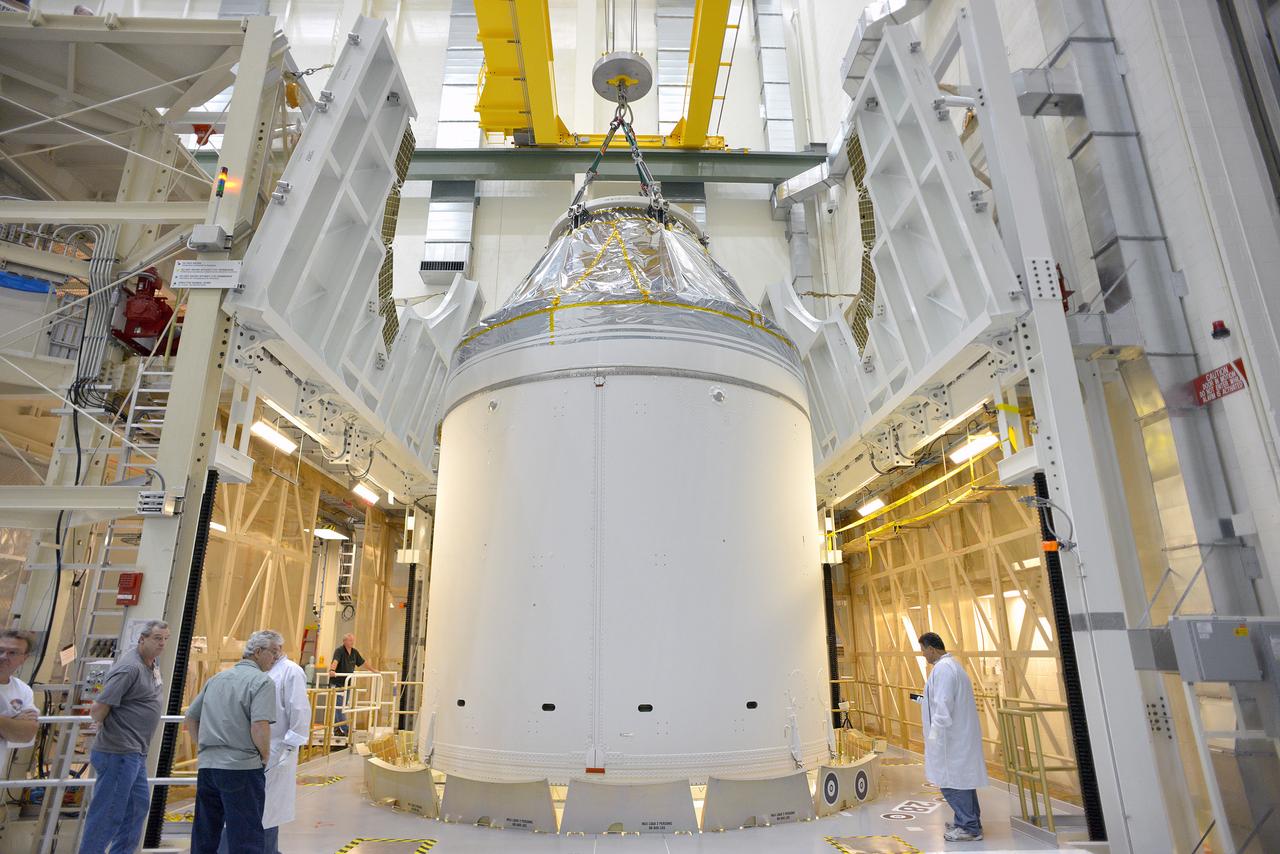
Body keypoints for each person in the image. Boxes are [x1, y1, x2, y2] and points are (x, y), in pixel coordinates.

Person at [79, 620, 170, 854]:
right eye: (157, 638)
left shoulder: (152, 664)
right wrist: (101, 725)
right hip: (118, 751)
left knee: (136, 807)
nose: (162, 643)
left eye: (165, 639)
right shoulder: (129, 668)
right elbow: (99, 708)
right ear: (142, 639)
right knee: (108, 813)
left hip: (135, 752)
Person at [186, 631, 279, 854]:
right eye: (273, 652)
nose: (276, 658)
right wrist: (264, 756)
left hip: (208, 768)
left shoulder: (216, 679)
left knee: (205, 833)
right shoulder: (262, 682)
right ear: (258, 652)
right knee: (245, 834)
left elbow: (190, 717)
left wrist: (204, 748)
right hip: (241, 767)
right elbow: (259, 725)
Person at [217, 632, 311, 854]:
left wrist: (287, 748)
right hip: (249, 750)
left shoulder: (291, 672)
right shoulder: (256, 673)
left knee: (267, 810)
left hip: (276, 751)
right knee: (249, 807)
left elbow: (299, 711)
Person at [918, 632, 988, 841]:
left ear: (932, 649)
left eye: (923, 651)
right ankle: (969, 820)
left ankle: (968, 827)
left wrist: (935, 736)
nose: (923, 655)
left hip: (950, 740)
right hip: (957, 738)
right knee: (962, 782)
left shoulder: (944, 670)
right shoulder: (950, 667)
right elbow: (937, 701)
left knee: (951, 783)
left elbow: (943, 704)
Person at [0, 630, 39, 775]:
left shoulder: (23, 690)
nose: (4, 656)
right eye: (1, 650)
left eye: (13, 653)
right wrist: (12, 722)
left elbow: (26, 733)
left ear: (24, 659)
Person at [327, 634, 367, 736]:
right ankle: (346, 730)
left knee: (341, 707)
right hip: (338, 684)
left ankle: (337, 729)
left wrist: (374, 670)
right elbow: (335, 661)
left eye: (352, 641)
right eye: (350, 641)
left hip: (347, 684)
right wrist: (332, 670)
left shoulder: (354, 652)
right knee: (339, 707)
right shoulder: (339, 650)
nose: (351, 643)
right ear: (344, 641)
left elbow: (363, 663)